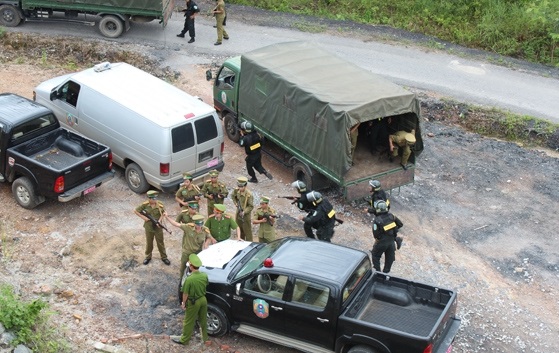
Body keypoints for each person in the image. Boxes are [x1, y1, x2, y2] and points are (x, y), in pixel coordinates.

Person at [171, 253, 211, 347]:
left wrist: (183, 303)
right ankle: (205, 338)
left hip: (194, 302)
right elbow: (206, 284)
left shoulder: (189, 279)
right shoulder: (204, 275)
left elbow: (185, 293)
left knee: (189, 321)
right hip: (203, 300)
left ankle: (184, 339)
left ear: (191, 266)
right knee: (203, 319)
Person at [165, 213, 210, 278]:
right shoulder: (188, 227)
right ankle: (181, 280)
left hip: (197, 253)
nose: (199, 227)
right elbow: (176, 224)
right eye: (197, 224)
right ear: (194, 223)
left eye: (201, 224)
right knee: (183, 268)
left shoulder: (205, 230)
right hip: (187, 252)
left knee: (195, 268)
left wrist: (206, 244)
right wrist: (167, 217)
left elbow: (209, 237)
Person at [134, 190, 170, 265]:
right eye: (153, 199)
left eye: (155, 198)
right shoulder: (145, 205)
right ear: (149, 198)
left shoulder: (160, 205)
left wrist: (159, 221)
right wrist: (144, 218)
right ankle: (148, 257)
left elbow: (163, 213)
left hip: (158, 227)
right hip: (149, 226)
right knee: (149, 242)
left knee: (160, 242)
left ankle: (164, 257)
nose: (155, 200)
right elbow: (136, 211)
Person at [365, 180, 402, 250]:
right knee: (386, 230)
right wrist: (370, 203)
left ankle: (376, 249)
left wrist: (368, 210)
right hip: (384, 211)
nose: (369, 187)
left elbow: (377, 209)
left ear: (374, 188)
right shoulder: (381, 192)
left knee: (381, 231)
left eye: (370, 186)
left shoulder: (376, 197)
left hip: (381, 214)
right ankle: (395, 240)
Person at [371, 200, 403, 273]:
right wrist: (392, 231)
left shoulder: (377, 220)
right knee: (389, 258)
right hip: (391, 242)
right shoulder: (392, 216)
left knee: (375, 256)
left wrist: (380, 238)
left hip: (381, 242)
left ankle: (378, 273)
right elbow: (400, 224)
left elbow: (375, 235)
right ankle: (386, 273)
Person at [231, 176, 254, 241]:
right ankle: (241, 241)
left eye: (241, 187)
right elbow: (232, 196)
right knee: (239, 229)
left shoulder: (249, 195)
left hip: (245, 216)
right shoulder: (237, 190)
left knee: (247, 232)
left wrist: (244, 212)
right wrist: (235, 203)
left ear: (245, 186)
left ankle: (249, 245)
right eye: (239, 186)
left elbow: (251, 206)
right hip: (238, 213)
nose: (240, 188)